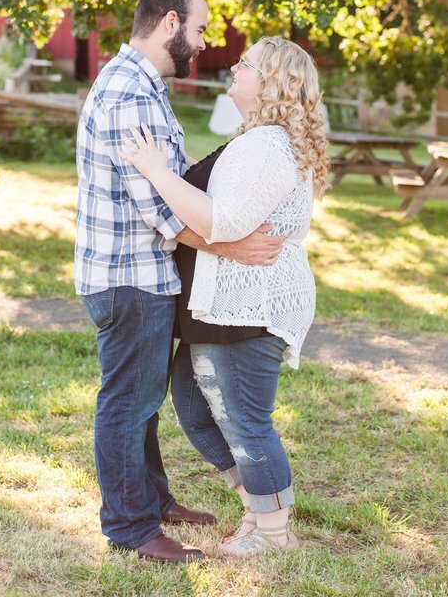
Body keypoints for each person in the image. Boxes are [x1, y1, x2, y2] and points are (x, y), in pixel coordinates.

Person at [75, 0, 282, 562]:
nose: (203, 42)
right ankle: (131, 527)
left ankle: (152, 500)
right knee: (127, 402)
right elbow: (162, 209)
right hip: (131, 276)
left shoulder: (143, 85)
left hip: (142, 275)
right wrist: (234, 247)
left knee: (142, 399)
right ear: (170, 23)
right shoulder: (131, 94)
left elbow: (177, 174)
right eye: (198, 30)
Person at [121, 36, 329, 557]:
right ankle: (259, 511)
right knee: (194, 405)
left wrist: (157, 171)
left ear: (272, 82)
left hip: (247, 306)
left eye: (246, 63)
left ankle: (274, 534)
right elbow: (223, 199)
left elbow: (221, 221)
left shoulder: (267, 145)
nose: (234, 67)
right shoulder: (257, 140)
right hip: (222, 304)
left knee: (245, 421)